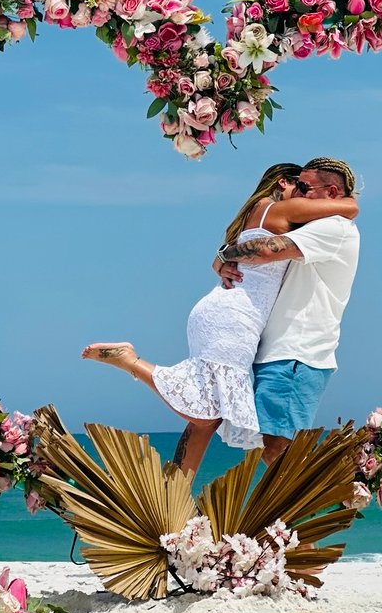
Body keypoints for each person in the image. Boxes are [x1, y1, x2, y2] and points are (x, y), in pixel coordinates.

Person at [81, 161, 359, 475]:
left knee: (208, 416)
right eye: (302, 187)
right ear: (283, 183)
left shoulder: (263, 216)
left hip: (227, 314)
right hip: (234, 319)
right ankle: (132, 362)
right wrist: (349, 200)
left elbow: (232, 254)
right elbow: (347, 208)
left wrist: (224, 254)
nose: (308, 199)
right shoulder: (277, 210)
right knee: (208, 413)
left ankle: (175, 491)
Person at [217, 157, 360, 467]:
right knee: (272, 450)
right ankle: (306, 511)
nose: (297, 192)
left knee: (278, 453)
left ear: (332, 192)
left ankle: (312, 512)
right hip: (284, 354)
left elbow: (267, 251)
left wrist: (225, 254)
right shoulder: (319, 227)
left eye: (305, 187)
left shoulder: (333, 227)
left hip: (295, 353)